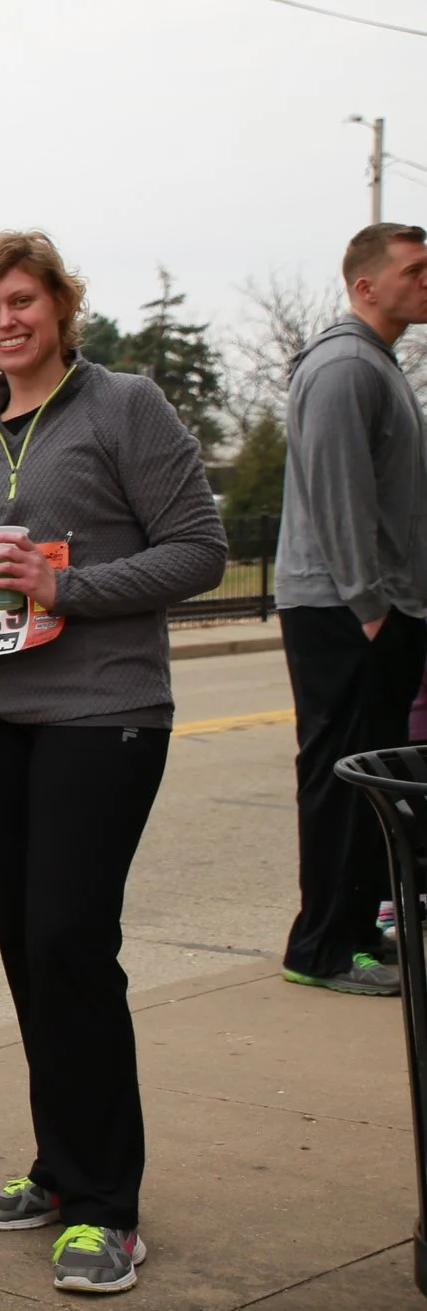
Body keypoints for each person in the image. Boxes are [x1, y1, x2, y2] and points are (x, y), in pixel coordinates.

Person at [0, 231, 226, 1295]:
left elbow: (198, 548)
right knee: (25, 950)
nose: (6, 321)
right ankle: (58, 1171)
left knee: (69, 941)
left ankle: (109, 1206)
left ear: (59, 305)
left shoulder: (123, 404)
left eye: (22, 301)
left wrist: (70, 589)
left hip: (104, 712)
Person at [275, 221, 427, 996]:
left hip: (375, 606)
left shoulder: (376, 363)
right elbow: (340, 499)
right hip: (346, 609)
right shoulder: (342, 367)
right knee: (340, 778)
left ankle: (359, 929)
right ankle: (322, 948)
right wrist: (372, 607)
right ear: (366, 285)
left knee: (371, 775)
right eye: (416, 268)